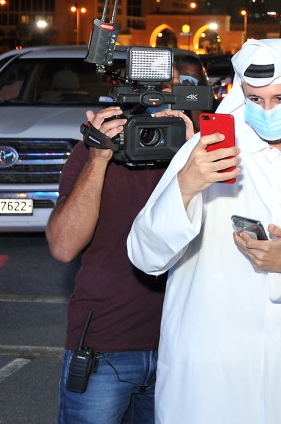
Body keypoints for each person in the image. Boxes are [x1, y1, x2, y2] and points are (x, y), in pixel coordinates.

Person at [127, 39, 281, 424]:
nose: (267, 110)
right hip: (211, 367)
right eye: (254, 100)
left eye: (280, 98)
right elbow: (145, 256)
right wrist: (185, 185)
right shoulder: (206, 154)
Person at [46, 65, 196, 423]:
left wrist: (191, 151)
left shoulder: (194, 150)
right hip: (106, 346)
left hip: (181, 344)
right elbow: (63, 246)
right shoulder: (94, 150)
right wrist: (98, 156)